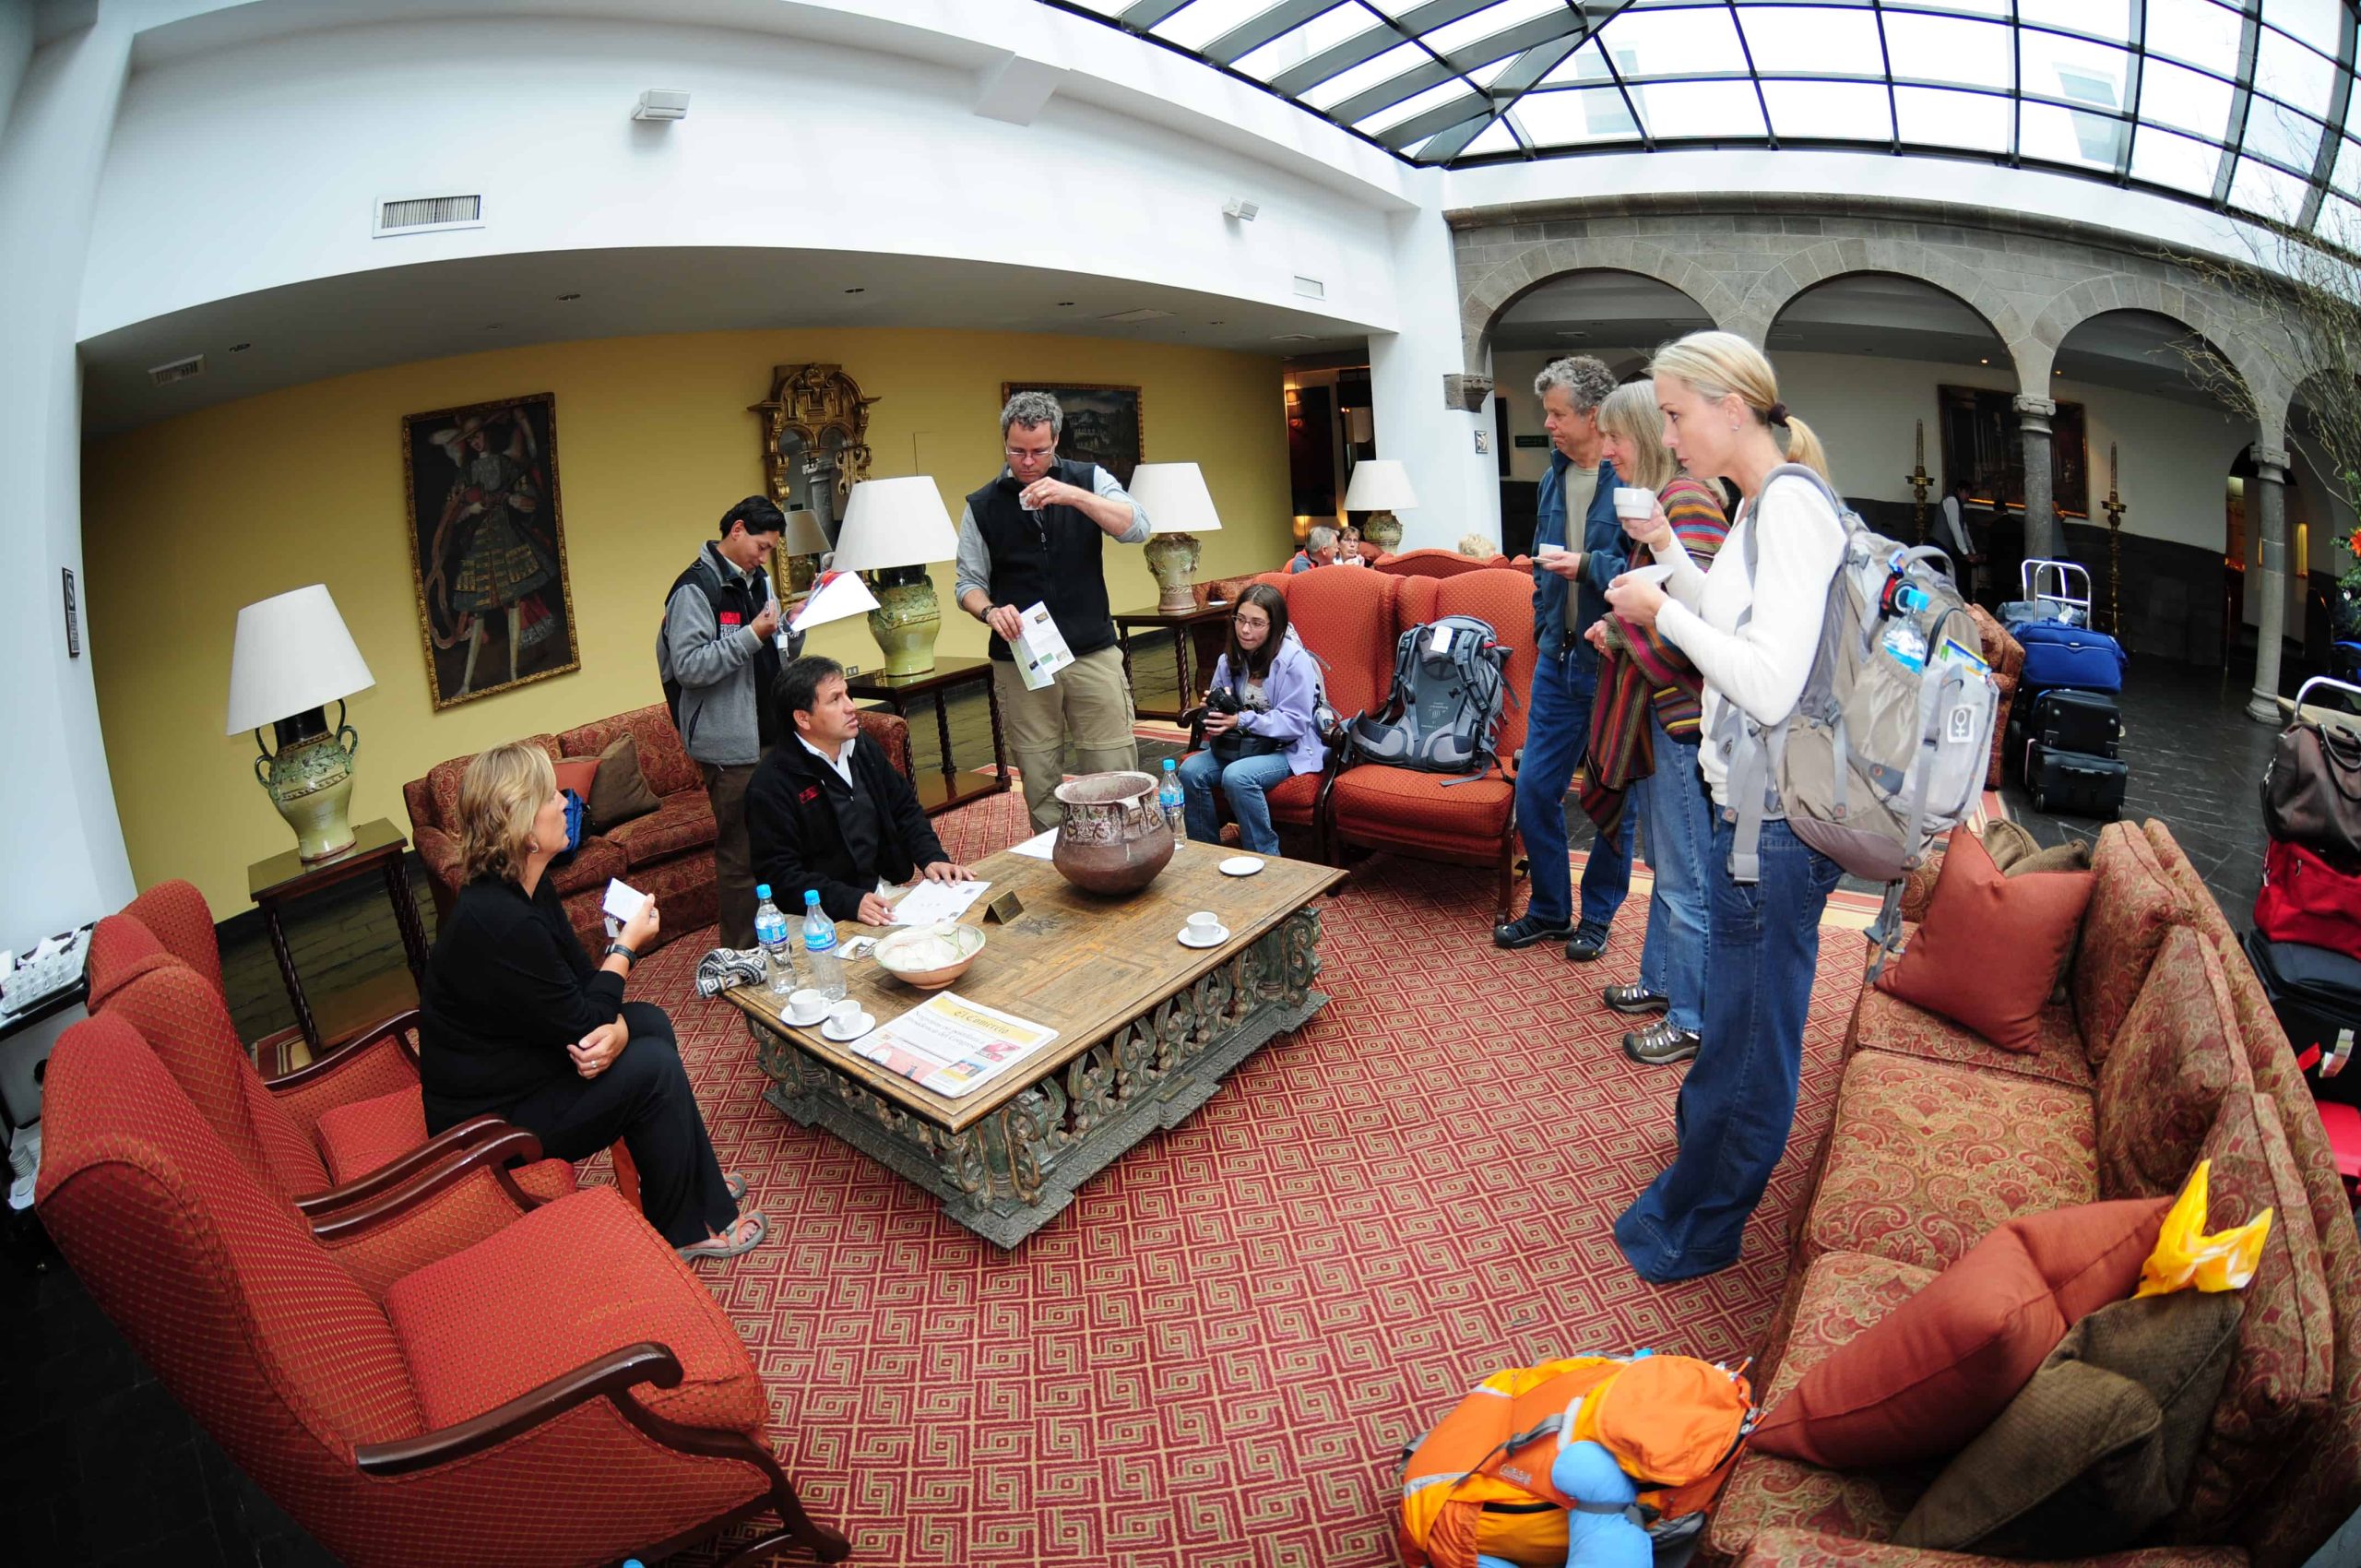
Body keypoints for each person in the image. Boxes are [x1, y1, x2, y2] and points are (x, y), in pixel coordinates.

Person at [1602, 330, 1847, 1284]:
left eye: (1673, 412)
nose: (1666, 433)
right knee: (1744, 1017)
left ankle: (1701, 1226)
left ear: (1730, 405)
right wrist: (1669, 562)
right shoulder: (1762, 504)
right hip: (1752, 800)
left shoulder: (1787, 507)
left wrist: (1662, 615)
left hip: (1775, 812)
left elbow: (1769, 682)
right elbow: (1741, 626)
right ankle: (1697, 1187)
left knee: (1748, 1033)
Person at [418, 742, 763, 1260]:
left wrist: (618, 1026)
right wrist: (624, 948)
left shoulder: (524, 889)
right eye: (551, 795)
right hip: (491, 1123)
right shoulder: (500, 922)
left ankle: (696, 1186)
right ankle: (684, 1228)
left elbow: (580, 986)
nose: (566, 801)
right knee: (651, 1067)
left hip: (525, 1068)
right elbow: (583, 1025)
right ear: (520, 825)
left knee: (648, 1022)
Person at [1578, 382, 1729, 1067]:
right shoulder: (1660, 506)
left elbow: (1702, 622)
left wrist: (1620, 630)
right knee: (1668, 865)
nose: (1606, 450)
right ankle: (1664, 983)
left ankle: (1692, 1018)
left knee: (1685, 876)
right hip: (1662, 719)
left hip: (1679, 721)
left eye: (1616, 435)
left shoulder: (1684, 502)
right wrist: (1620, 621)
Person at [953, 391, 1151, 830]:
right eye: (1017, 451)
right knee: (1039, 773)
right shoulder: (982, 504)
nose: (1027, 461)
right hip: (1023, 658)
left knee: (1113, 764)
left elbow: (1136, 527)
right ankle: (1054, 857)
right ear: (1004, 442)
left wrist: (1073, 496)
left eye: (1039, 451)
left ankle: (1123, 849)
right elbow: (967, 584)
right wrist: (989, 612)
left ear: (1056, 440)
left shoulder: (1088, 478)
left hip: (1092, 649)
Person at [1495, 355, 1634, 962]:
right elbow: (1537, 560)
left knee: (1610, 801)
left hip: (1614, 665)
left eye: (1556, 414)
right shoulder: (1552, 478)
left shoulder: (1633, 480)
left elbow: (1646, 574)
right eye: (1546, 413)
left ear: (1593, 414)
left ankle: (1597, 916)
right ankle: (1551, 909)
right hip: (1557, 658)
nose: (1548, 425)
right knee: (1535, 789)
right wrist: (1542, 619)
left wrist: (1589, 568)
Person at [658, 495, 802, 951]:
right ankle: (741, 954)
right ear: (736, 530)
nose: (765, 557)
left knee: (783, 842)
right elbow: (689, 667)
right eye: (761, 546)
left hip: (772, 733)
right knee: (741, 855)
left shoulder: (759, 582)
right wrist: (752, 635)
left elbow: (775, 655)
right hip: (728, 747)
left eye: (771, 550)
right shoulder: (695, 589)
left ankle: (784, 938)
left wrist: (792, 632)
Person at [747, 655, 974, 924]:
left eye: (847, 695)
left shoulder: (862, 747)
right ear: (803, 718)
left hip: (879, 892)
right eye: (835, 699)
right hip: (815, 913)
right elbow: (780, 876)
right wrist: (849, 902)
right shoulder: (771, 785)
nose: (851, 706)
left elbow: (904, 808)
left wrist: (931, 856)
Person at [1179, 583, 1325, 855]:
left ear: (1275, 627)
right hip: (1239, 746)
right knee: (1190, 771)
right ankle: (1205, 855)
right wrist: (1213, 708)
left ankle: (1268, 859)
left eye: (1257, 623)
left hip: (1287, 749)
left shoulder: (1295, 661)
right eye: (1241, 620)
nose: (1246, 630)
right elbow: (1225, 712)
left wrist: (1241, 720)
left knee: (1238, 776)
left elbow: (1295, 723)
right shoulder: (1229, 659)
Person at [1938, 479, 1984, 600]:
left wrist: (1972, 551)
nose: (1968, 497)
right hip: (1940, 545)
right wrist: (1966, 553)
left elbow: (1964, 529)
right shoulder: (1951, 501)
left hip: (1949, 547)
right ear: (1959, 491)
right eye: (1966, 493)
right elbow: (1955, 527)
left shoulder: (1960, 505)